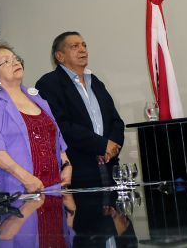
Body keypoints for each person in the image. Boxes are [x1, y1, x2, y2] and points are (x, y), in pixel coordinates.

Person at [0, 43, 71, 194]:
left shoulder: (37, 98)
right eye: (6, 61)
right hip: (18, 192)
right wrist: (27, 179)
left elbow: (57, 139)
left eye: (15, 58)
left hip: (55, 188)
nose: (15, 62)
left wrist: (67, 166)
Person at [36, 32, 125, 188]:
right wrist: (101, 145)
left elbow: (115, 120)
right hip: (78, 169)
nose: (83, 50)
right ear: (60, 56)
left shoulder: (95, 81)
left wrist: (112, 147)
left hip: (109, 166)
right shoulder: (48, 84)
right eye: (74, 46)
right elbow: (60, 126)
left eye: (84, 45)